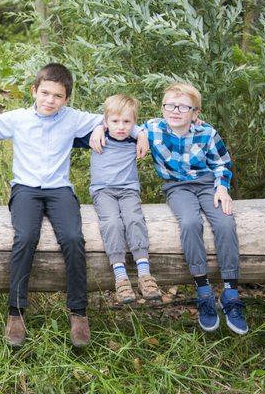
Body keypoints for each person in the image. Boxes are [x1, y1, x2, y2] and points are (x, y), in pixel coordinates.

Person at [0, 64, 149, 347]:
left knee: (72, 238)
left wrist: (141, 132)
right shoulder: (19, 118)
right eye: (44, 93)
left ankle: (78, 312)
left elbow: (118, 118)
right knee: (25, 238)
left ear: (66, 99)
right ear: (34, 91)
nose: (50, 100)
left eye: (58, 96)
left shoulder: (73, 118)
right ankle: (16, 312)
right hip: (26, 189)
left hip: (60, 190)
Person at [91, 82, 248, 335]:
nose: (175, 111)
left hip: (208, 185)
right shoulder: (152, 129)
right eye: (170, 106)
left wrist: (222, 187)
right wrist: (100, 126)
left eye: (183, 107)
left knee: (225, 221)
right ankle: (203, 289)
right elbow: (123, 122)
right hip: (177, 188)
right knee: (189, 223)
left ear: (195, 113)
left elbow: (221, 162)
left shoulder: (206, 132)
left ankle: (230, 291)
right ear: (163, 109)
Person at [74, 94, 161, 304]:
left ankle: (144, 274)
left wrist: (140, 133)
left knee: (134, 219)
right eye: (115, 121)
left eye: (127, 122)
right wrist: (97, 127)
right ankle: (121, 278)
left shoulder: (135, 136)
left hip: (128, 190)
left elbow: (160, 127)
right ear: (105, 121)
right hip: (103, 191)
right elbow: (65, 131)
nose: (121, 127)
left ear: (134, 122)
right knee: (111, 222)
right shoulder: (96, 137)